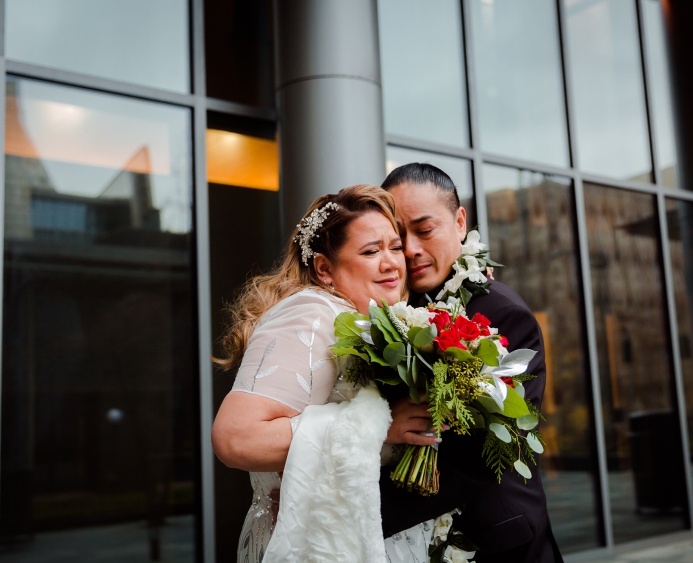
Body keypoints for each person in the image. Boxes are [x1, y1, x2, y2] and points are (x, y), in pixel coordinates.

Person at [212, 184, 445, 563]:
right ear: (324, 268)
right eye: (371, 251)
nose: (392, 263)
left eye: (395, 247)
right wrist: (378, 427)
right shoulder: (312, 312)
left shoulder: (371, 320)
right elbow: (235, 439)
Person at [380, 163, 564, 563]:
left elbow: (483, 455)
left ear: (460, 222)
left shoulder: (504, 314)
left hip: (498, 539)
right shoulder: (391, 310)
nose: (410, 249)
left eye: (424, 230)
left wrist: (366, 510)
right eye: (398, 236)